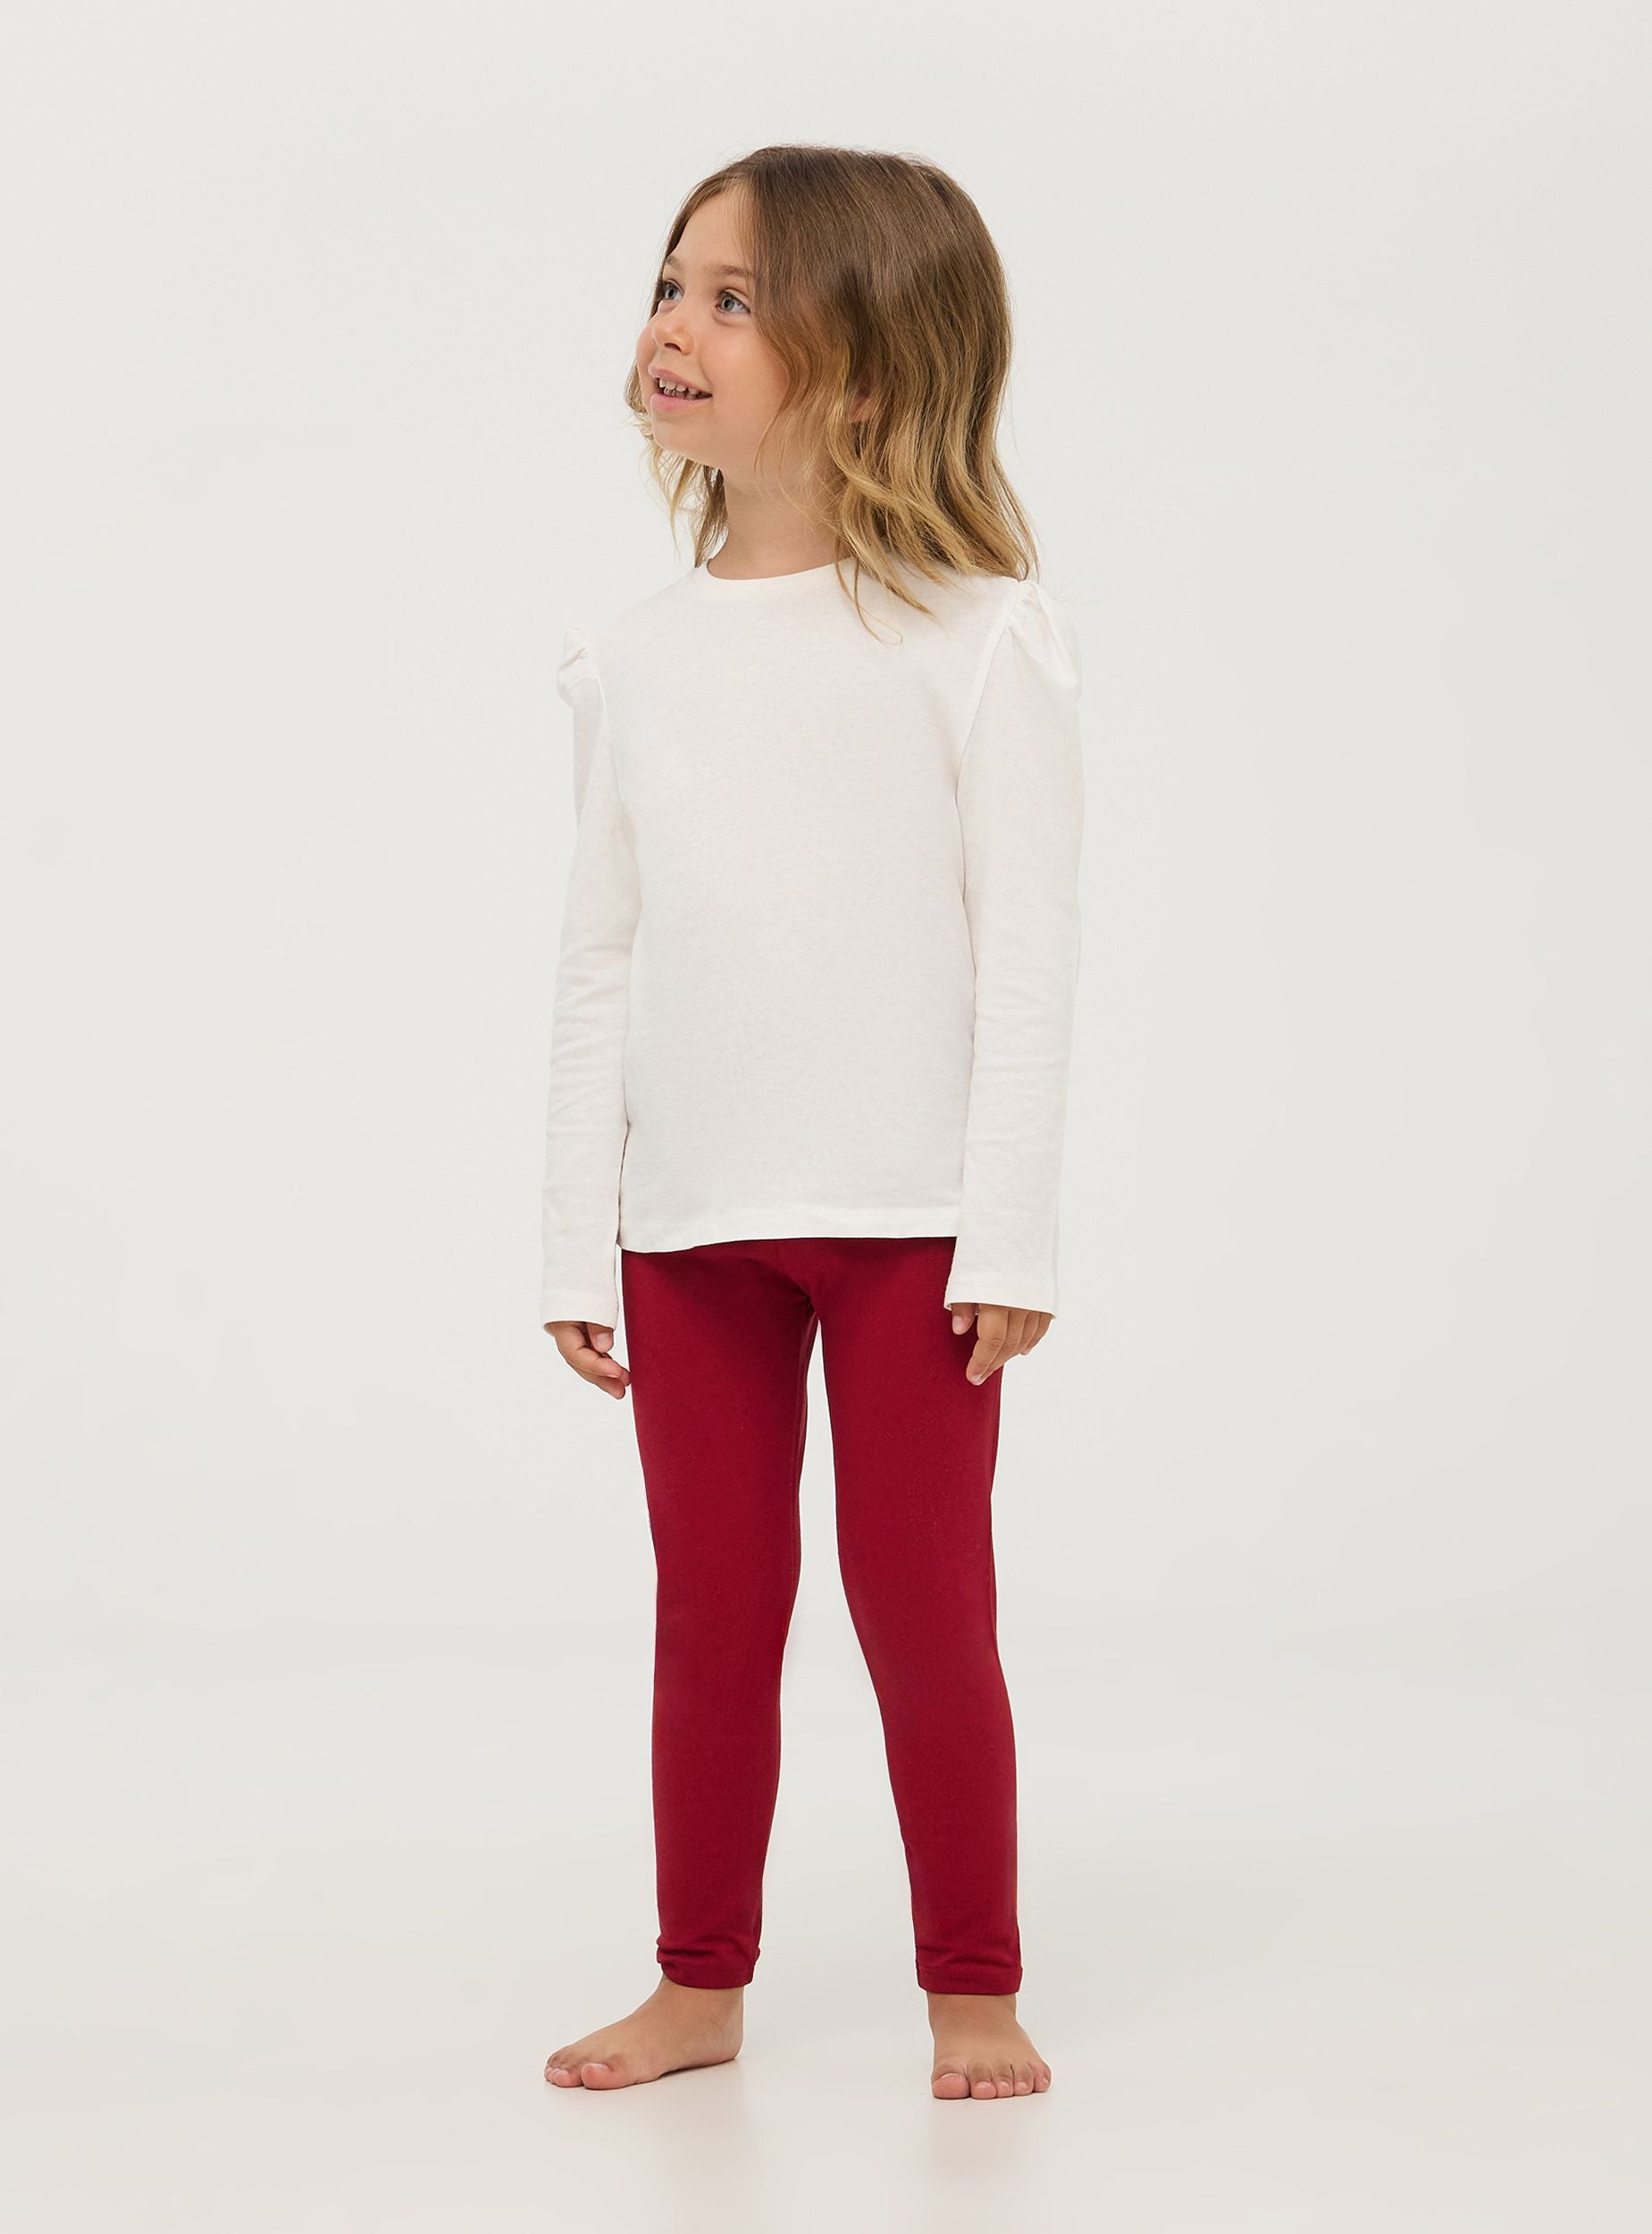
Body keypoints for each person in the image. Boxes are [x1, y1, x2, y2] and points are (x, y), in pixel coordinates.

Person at [539, 145, 1084, 2104]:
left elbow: (1028, 953)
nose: (672, 327)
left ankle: (972, 1986)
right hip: (690, 1230)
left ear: (865, 366)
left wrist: (1008, 1233)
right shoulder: (629, 657)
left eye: (734, 298)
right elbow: (598, 957)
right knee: (712, 1611)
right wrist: (572, 1235)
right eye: (669, 284)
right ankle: (698, 1982)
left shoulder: (977, 636)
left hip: (910, 1226)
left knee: (922, 1611)